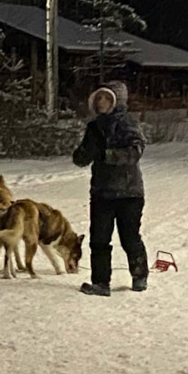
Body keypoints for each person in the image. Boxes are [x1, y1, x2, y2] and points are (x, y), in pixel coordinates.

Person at [71, 80, 148, 296]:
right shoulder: (94, 127)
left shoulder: (128, 123)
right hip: (102, 192)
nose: (101, 102)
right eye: (99, 98)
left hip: (129, 193)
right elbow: (81, 157)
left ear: (116, 101)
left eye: (106, 98)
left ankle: (139, 275)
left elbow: (136, 150)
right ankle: (101, 283)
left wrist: (109, 155)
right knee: (99, 239)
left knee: (129, 237)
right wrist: (84, 154)